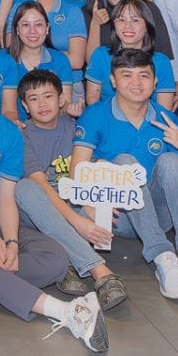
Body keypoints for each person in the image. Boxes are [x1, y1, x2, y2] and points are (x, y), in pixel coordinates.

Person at [0, 49, 109, 351]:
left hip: (0, 216)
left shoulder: (9, 132)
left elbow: (7, 195)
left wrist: (11, 243)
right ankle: (65, 311)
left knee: (55, 259)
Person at [72, 47, 178, 301]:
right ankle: (163, 258)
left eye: (144, 76)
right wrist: (88, 205)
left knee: (171, 159)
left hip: (161, 213)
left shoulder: (167, 119)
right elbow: (77, 172)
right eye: (127, 76)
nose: (136, 83)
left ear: (155, 81)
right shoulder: (95, 115)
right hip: (120, 216)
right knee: (126, 163)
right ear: (113, 81)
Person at [13, 69, 132, 311]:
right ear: (25, 106)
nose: (42, 104)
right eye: (33, 99)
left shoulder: (77, 126)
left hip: (76, 200)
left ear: (60, 100)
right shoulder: (21, 136)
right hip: (41, 206)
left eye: (48, 96)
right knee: (26, 188)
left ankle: (66, 259)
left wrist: (92, 205)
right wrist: (78, 221)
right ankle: (101, 272)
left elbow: (93, 171)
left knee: (103, 166)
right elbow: (42, 186)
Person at [83, 0, 176, 112]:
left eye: (135, 20)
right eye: (121, 20)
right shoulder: (100, 55)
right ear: (114, 25)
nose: (128, 26)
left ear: (147, 25)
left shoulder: (161, 62)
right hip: (107, 119)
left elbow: (164, 110)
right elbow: (93, 98)